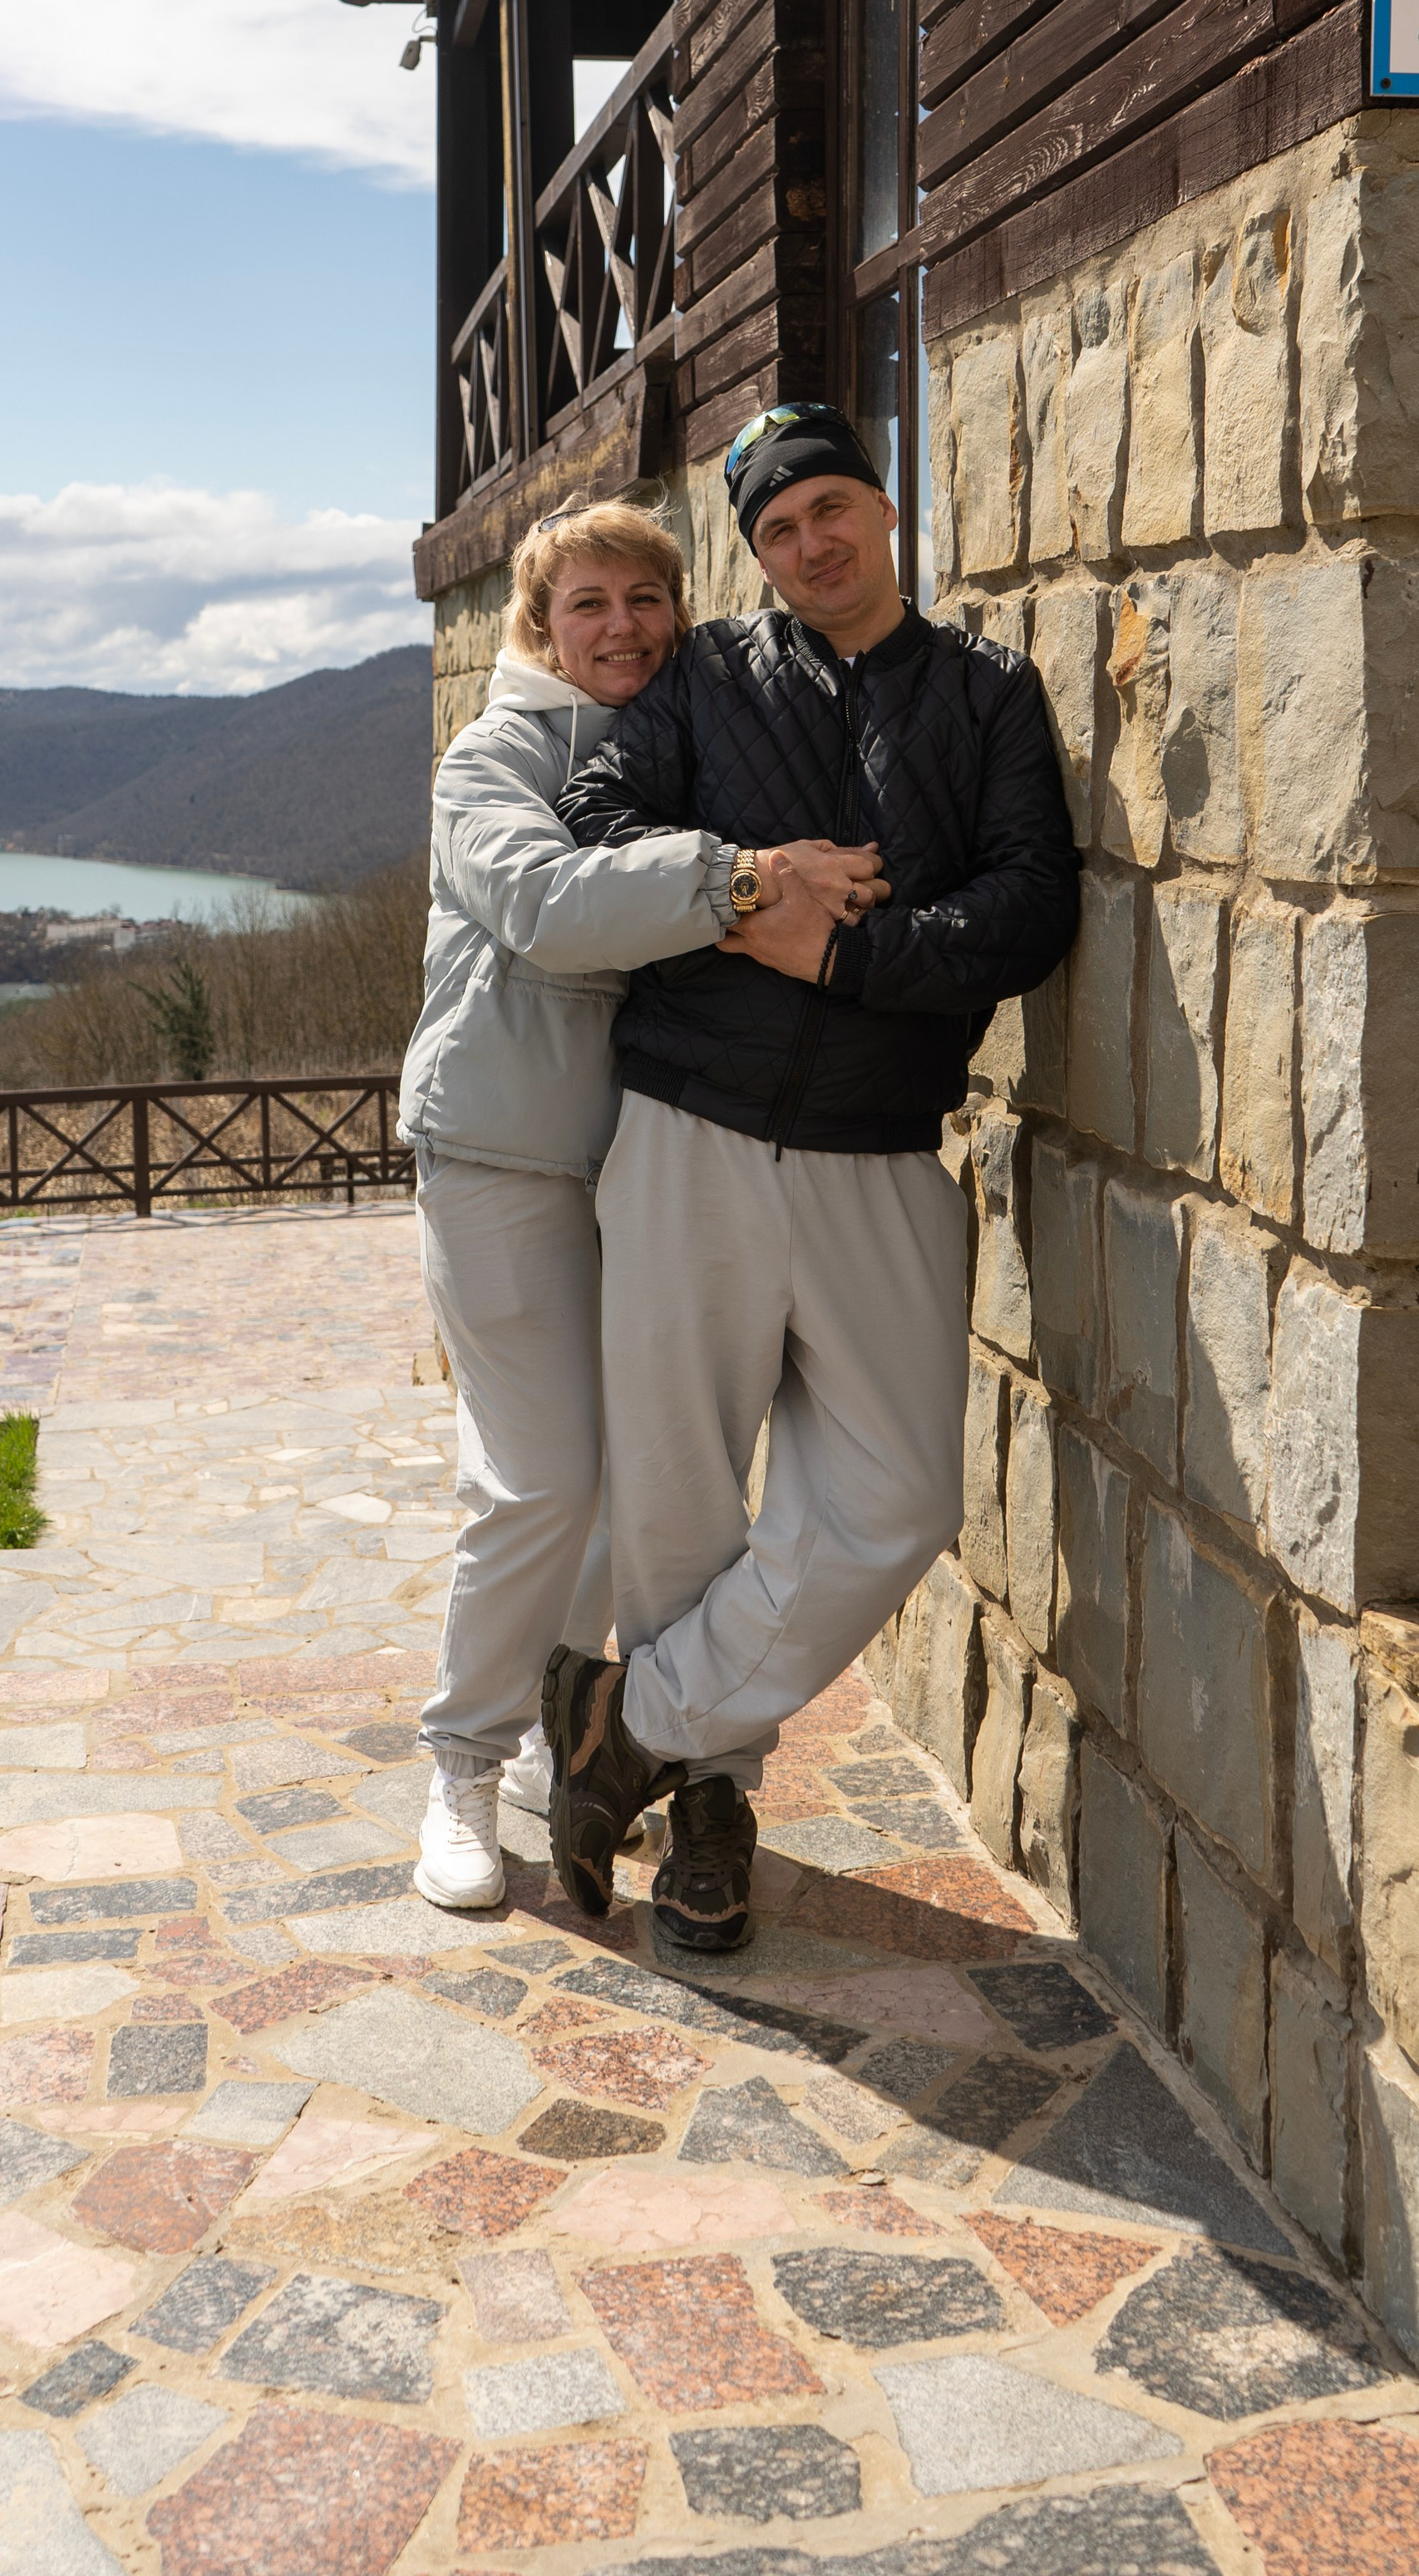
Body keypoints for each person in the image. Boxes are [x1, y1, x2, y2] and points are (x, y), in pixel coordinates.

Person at [545, 401, 1081, 1953]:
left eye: (831, 508)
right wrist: (749, 891)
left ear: (884, 508)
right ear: (756, 551)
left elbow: (1027, 908)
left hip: (876, 1147)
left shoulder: (984, 691)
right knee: (676, 1499)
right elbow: (597, 826)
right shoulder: (707, 673)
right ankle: (705, 1807)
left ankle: (626, 1725)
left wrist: (843, 953)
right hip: (689, 1130)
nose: (811, 545)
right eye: (778, 531)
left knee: (898, 1494)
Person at [401, 495, 884, 1911]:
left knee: (640, 1493)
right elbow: (551, 906)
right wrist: (741, 877)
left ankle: (593, 1742)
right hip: (500, 1158)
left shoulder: (685, 746)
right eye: (586, 605)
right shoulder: (488, 761)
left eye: (644, 600)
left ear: (679, 613)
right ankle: (459, 1765)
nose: (619, 627)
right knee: (539, 1477)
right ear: (539, 629)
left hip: (657, 1161)